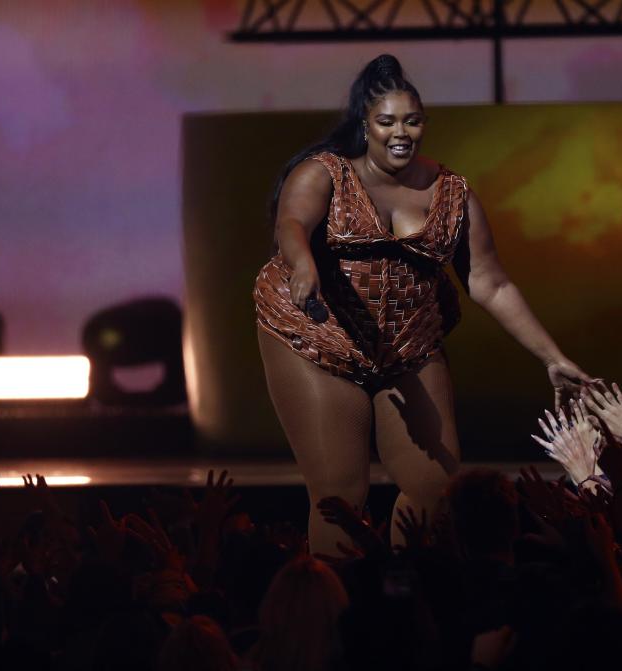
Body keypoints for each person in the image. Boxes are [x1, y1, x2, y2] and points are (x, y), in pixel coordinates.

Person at [254, 54, 593, 554]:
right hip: (318, 337)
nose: (400, 133)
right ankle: (338, 609)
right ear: (365, 126)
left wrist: (553, 357)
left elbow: (491, 283)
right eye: (386, 121)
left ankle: (406, 591)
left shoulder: (451, 192)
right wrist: (303, 264)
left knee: (435, 485)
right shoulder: (324, 173)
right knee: (341, 492)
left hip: (407, 347)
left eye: (412, 122)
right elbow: (292, 225)